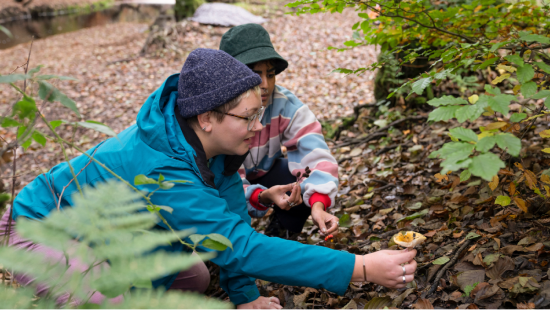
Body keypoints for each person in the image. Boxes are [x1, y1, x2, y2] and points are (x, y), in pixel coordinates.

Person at [2, 49, 417, 309]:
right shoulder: (163, 164)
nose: (257, 126)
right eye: (248, 117)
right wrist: (358, 268)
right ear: (207, 118)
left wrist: (246, 297)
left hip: (107, 233)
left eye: (259, 114)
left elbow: (232, 226)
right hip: (40, 227)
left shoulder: (214, 149)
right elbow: (240, 247)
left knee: (193, 276)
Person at [219, 24, 340, 238]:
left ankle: (282, 234)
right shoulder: (218, 111)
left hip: (267, 172)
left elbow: (316, 155)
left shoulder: (285, 105)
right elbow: (221, 179)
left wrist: (318, 204)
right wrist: (260, 196)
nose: (265, 84)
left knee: (299, 183)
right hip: (225, 184)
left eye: (271, 74)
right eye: (254, 75)